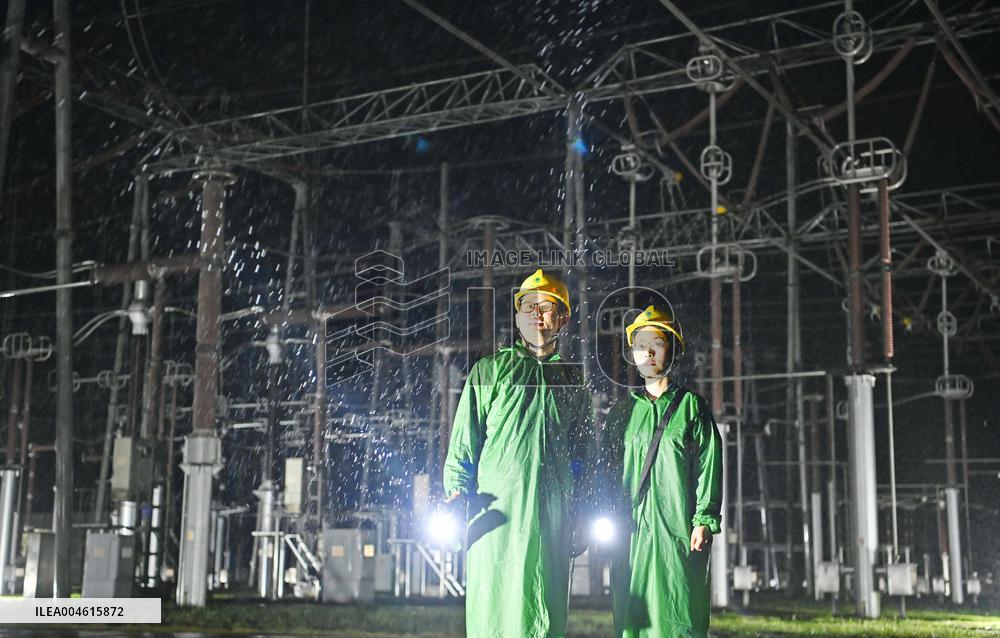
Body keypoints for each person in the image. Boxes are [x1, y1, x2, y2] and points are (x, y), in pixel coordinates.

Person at [442, 269, 595, 638]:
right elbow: (464, 442)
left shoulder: (572, 381)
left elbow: (584, 455)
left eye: (546, 307)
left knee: (544, 608)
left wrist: (584, 510)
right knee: (496, 608)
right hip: (498, 516)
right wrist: (457, 491)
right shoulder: (490, 372)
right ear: (516, 316)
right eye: (528, 306)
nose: (536, 313)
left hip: (552, 516)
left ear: (563, 318)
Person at [599, 304, 723, 638]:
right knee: (633, 617)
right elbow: (607, 473)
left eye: (658, 343)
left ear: (673, 350)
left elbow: (709, 463)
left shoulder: (691, 408)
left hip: (678, 530)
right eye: (641, 345)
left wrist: (704, 518)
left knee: (678, 613)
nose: (649, 352)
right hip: (631, 533)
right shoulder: (621, 413)